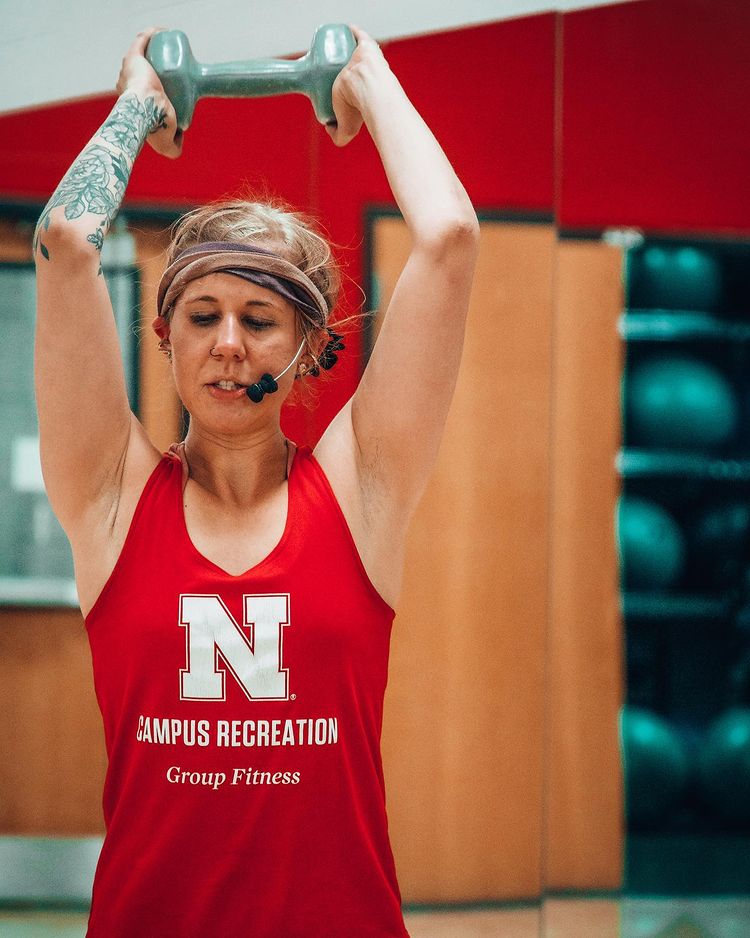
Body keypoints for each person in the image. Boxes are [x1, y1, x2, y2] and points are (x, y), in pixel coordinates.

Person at [33, 23, 479, 938]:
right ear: (165, 337)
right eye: (202, 315)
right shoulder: (110, 496)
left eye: (260, 318)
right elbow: (65, 243)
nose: (228, 343)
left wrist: (366, 76)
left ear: (308, 347)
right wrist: (137, 105)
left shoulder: (366, 490)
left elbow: (450, 238)